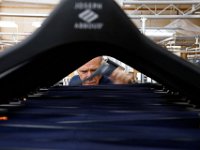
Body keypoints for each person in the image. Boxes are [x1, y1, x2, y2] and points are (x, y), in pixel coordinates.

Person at [68, 56, 137, 86]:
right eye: (84, 71)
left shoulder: (113, 83)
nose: (89, 76)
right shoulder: (73, 82)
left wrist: (126, 86)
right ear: (77, 70)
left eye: (94, 70)